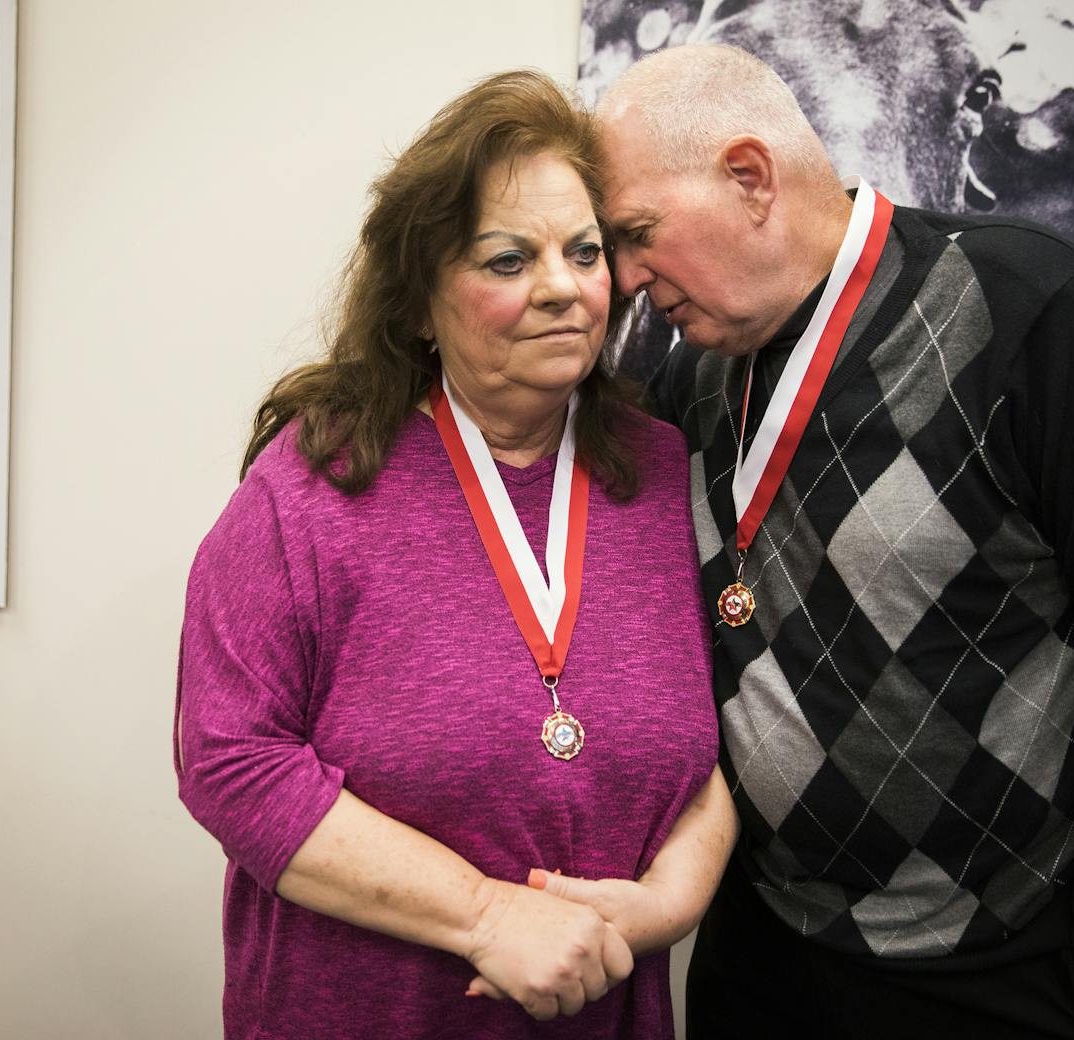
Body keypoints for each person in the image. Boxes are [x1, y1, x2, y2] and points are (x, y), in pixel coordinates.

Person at [589, 44, 1074, 1040]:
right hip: (763, 960)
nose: (629, 277)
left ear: (750, 176)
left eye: (638, 234)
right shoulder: (696, 383)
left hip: (1002, 977)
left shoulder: (1029, 311)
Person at [175, 70, 737, 1039]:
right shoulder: (314, 479)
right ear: (422, 297)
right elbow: (227, 757)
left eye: (585, 250)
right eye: (508, 259)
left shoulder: (662, 469)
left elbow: (732, 731)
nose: (562, 286)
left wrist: (674, 901)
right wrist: (484, 913)